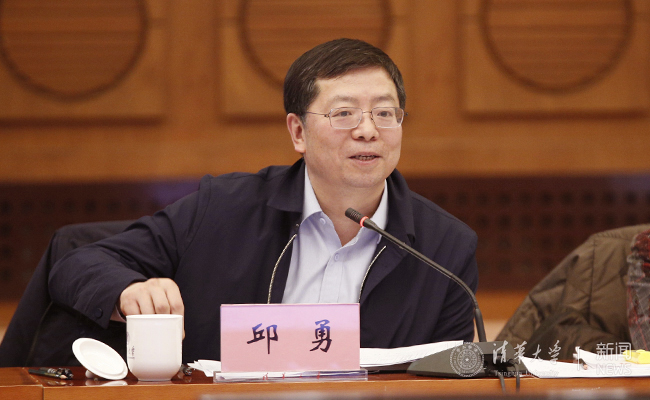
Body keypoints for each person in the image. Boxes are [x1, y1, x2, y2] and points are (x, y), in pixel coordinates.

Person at [48, 38, 479, 363]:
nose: (368, 131)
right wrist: (129, 290)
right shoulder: (221, 209)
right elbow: (76, 263)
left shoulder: (444, 248)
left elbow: (447, 378)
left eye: (384, 113)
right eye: (344, 113)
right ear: (298, 132)